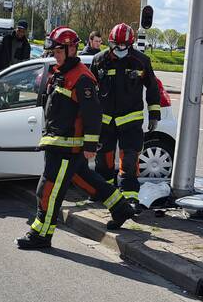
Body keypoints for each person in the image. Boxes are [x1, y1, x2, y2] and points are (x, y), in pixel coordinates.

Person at [16, 26, 139, 250]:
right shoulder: (61, 72)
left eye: (59, 51)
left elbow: (93, 114)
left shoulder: (82, 78)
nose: (55, 55)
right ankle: (120, 208)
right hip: (58, 143)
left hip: (66, 148)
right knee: (85, 180)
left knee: (48, 190)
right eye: (54, 51)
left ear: (71, 49)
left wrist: (90, 144)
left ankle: (41, 235)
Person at [90, 23, 161, 203]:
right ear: (110, 42)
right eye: (116, 45)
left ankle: (129, 198)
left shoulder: (141, 61)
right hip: (105, 122)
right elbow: (89, 90)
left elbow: (153, 88)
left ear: (130, 44)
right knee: (103, 161)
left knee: (129, 161)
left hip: (131, 122)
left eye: (124, 45)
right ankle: (104, 195)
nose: (120, 49)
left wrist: (154, 114)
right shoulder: (99, 60)